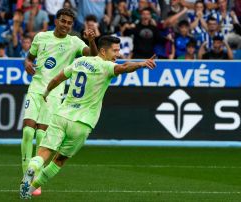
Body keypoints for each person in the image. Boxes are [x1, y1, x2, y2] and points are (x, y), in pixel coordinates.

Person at [19, 35, 156, 199]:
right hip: (82, 124)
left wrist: (47, 93)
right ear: (103, 51)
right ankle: (30, 189)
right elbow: (124, 67)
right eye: (115, 51)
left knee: (43, 153)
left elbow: (56, 79)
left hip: (61, 116)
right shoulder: (106, 67)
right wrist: (141, 64)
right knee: (59, 161)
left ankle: (32, 168)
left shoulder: (79, 62)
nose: (118, 55)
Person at [21, 7, 98, 196]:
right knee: (28, 132)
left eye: (69, 23)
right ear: (56, 21)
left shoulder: (74, 42)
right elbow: (29, 57)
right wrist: (27, 64)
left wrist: (91, 40)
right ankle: (25, 178)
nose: (66, 25)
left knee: (41, 136)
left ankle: (35, 178)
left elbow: (93, 55)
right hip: (36, 88)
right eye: (63, 21)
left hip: (54, 93)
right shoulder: (41, 37)